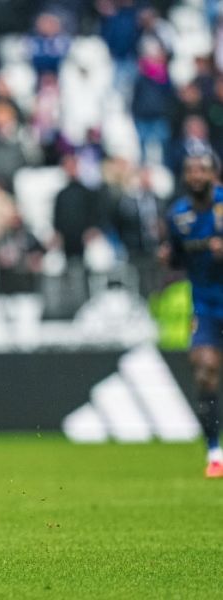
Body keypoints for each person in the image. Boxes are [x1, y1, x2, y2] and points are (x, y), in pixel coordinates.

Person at [159, 146, 223, 478]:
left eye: (202, 170)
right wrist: (168, 258)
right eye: (191, 170)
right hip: (207, 306)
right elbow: (176, 258)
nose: (196, 176)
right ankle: (215, 452)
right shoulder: (178, 215)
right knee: (203, 367)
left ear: (214, 174)